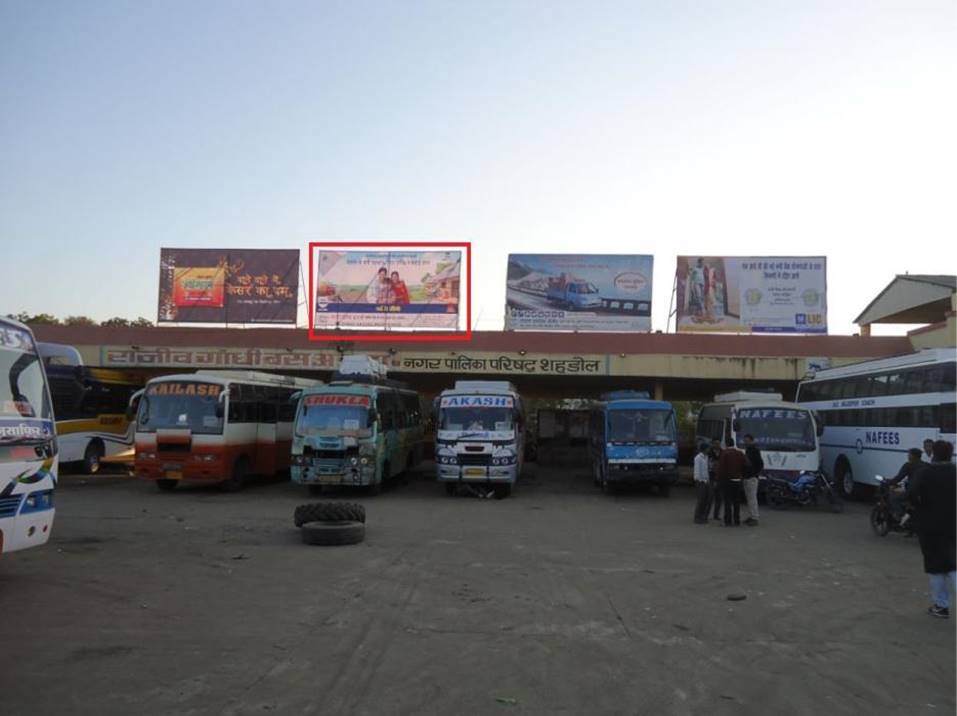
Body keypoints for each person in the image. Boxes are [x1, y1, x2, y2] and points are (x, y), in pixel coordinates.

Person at [906, 440, 956, 618]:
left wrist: (919, 507)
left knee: (935, 565)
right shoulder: (955, 471)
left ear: (934, 452)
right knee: (952, 562)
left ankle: (941, 606)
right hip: (953, 523)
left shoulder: (925, 472)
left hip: (929, 524)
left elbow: (911, 493)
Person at [887, 448, 924, 524]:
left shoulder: (908, 465)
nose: (908, 456)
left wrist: (888, 482)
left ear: (913, 456)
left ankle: (901, 515)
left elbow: (898, 478)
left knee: (893, 497)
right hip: (923, 492)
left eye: (909, 454)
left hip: (913, 492)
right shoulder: (925, 465)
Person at [718, 437, 747, 526]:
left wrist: (719, 479)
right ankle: (737, 520)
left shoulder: (724, 453)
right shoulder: (740, 453)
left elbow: (721, 468)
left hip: (727, 480)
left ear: (726, 444)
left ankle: (728, 521)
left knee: (727, 501)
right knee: (736, 501)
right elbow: (746, 464)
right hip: (737, 480)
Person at [742, 434, 763, 527]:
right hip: (747, 476)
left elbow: (760, 464)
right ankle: (752, 516)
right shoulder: (749, 449)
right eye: (744, 440)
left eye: (747, 440)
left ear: (751, 440)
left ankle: (755, 517)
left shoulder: (754, 450)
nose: (745, 442)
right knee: (749, 498)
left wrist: (755, 473)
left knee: (752, 498)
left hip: (752, 477)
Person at [693, 443, 711, 524]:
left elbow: (706, 470)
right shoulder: (698, 458)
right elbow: (697, 471)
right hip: (700, 481)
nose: (709, 450)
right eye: (708, 448)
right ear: (705, 449)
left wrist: (707, 480)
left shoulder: (706, 457)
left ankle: (703, 516)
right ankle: (697, 517)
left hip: (706, 481)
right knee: (700, 500)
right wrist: (700, 480)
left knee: (706, 500)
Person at [708, 438, 723, 521]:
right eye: (716, 443)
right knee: (710, 497)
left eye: (718, 443)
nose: (717, 445)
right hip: (711, 477)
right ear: (713, 444)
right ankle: (706, 514)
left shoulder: (723, 452)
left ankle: (716, 515)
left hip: (720, 478)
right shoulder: (709, 452)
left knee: (719, 498)